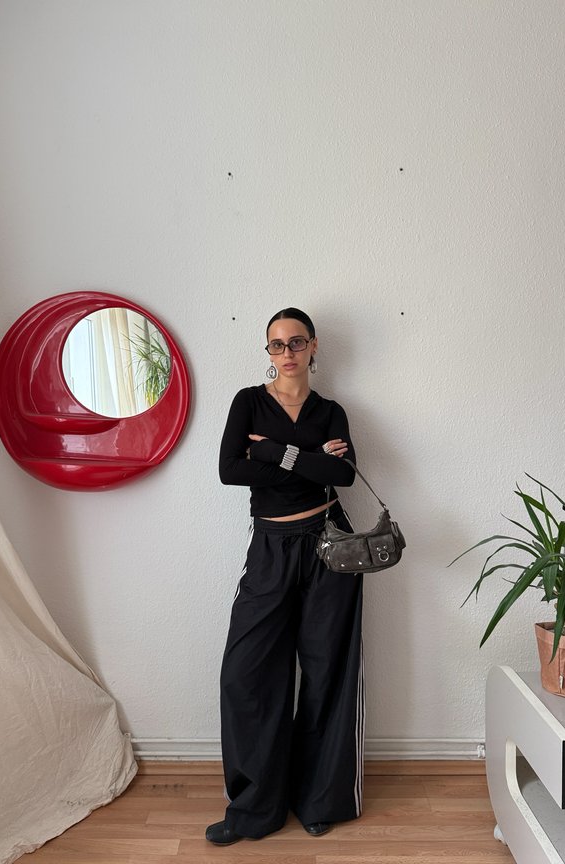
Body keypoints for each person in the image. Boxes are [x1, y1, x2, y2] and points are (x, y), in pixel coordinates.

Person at [206, 308, 364, 846]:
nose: (287, 352)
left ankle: (319, 800)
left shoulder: (332, 410)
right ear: (268, 352)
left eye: (296, 342)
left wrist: (272, 451)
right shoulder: (247, 401)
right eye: (276, 345)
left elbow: (342, 473)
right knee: (246, 674)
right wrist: (308, 458)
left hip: (328, 549)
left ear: (313, 346)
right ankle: (254, 807)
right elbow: (231, 469)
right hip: (271, 547)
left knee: (325, 673)